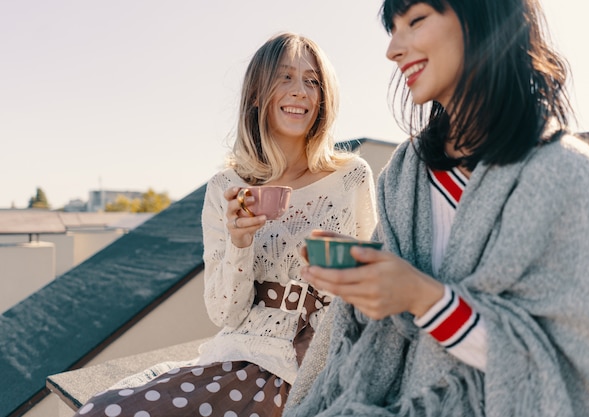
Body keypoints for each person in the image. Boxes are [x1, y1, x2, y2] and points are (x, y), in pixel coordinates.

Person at [283, 1, 589, 416]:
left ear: (484, 17)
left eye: (416, 21)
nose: (393, 48)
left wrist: (425, 298)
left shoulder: (566, 174)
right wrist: (365, 273)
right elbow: (351, 337)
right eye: (393, 28)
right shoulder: (405, 172)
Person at [74, 32, 377, 417]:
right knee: (105, 410)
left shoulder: (351, 176)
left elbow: (372, 282)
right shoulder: (226, 188)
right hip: (242, 356)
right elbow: (225, 314)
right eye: (284, 77)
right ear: (256, 94)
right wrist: (240, 241)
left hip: (321, 360)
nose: (300, 90)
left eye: (311, 80)